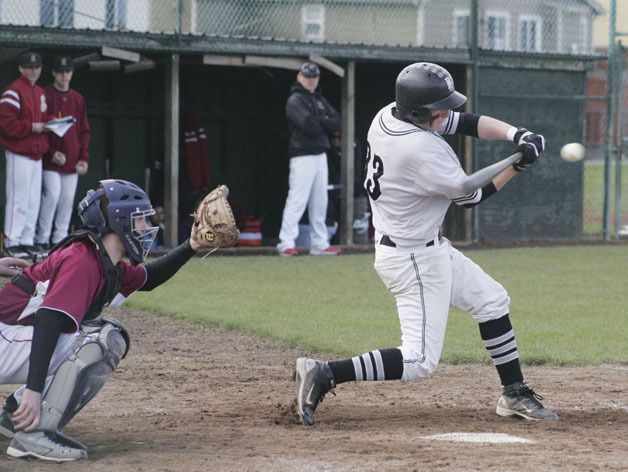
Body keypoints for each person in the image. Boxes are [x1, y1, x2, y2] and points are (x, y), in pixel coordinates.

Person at [295, 62, 558, 426]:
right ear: (419, 111)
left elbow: (465, 122)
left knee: (492, 299)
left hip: (423, 247)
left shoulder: (390, 114)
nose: (447, 113)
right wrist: (518, 164)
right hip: (412, 257)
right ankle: (325, 372)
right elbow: (472, 197)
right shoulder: (420, 150)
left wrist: (518, 135)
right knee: (419, 360)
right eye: (440, 107)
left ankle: (513, 392)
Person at [0, 179, 205, 462]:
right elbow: (48, 321)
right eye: (139, 220)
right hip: (4, 338)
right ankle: (34, 433)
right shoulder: (83, 259)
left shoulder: (103, 260)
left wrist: (191, 245)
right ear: (118, 221)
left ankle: (14, 415)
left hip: (8, 337)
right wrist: (34, 393)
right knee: (98, 339)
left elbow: (148, 278)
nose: (145, 228)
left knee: (103, 334)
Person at [276, 62, 342, 256]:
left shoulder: (320, 99)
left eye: (314, 77)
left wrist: (322, 122)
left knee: (320, 201)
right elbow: (308, 125)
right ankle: (285, 242)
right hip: (302, 156)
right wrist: (324, 122)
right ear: (299, 77)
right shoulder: (295, 100)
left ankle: (320, 243)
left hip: (320, 155)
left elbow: (337, 122)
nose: (311, 80)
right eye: (307, 76)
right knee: (297, 200)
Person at [34, 56, 90, 257]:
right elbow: (41, 128)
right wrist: (50, 152)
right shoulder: (46, 94)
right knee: (52, 196)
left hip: (72, 162)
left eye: (67, 72)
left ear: (72, 73)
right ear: (53, 73)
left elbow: (84, 130)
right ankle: (42, 240)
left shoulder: (77, 98)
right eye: (60, 72)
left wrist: (84, 158)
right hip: (51, 160)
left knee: (67, 200)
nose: (64, 75)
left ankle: (59, 241)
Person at [0, 52, 51, 260]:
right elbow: (6, 124)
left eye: (37, 67)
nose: (34, 70)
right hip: (18, 151)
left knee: (33, 200)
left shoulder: (40, 92)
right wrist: (33, 127)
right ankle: (12, 241)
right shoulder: (12, 91)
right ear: (21, 69)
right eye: (30, 67)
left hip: (36, 153)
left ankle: (27, 241)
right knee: (18, 198)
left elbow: (44, 120)